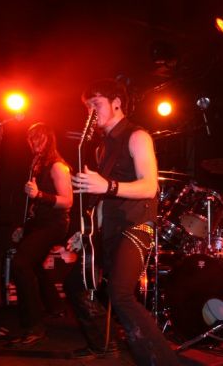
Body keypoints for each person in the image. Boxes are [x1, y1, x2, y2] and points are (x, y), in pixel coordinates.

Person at [64, 78, 180, 364]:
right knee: (76, 284)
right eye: (87, 106)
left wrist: (108, 186)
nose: (91, 111)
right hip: (111, 227)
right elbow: (103, 199)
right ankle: (104, 344)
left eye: (96, 103)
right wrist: (87, 233)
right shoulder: (102, 149)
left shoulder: (137, 135)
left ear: (116, 102)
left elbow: (149, 186)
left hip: (137, 223)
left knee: (121, 293)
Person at [8, 123, 73, 346]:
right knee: (33, 265)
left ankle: (34, 325)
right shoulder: (37, 165)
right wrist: (23, 227)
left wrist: (40, 195)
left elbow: (68, 201)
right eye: (30, 139)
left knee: (21, 263)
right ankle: (55, 306)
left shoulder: (58, 166)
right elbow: (35, 204)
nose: (33, 142)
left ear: (49, 139)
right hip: (40, 223)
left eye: (39, 138)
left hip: (55, 224)